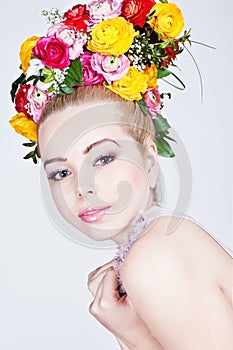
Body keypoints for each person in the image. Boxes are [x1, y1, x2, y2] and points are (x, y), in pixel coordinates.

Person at [9, 1, 233, 349]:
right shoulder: (163, 244)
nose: (83, 187)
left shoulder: (153, 258)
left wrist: (136, 335)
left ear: (149, 156)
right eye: (61, 171)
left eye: (103, 158)